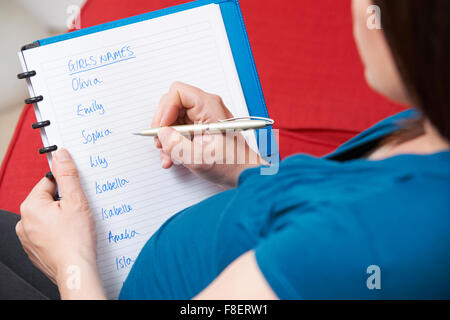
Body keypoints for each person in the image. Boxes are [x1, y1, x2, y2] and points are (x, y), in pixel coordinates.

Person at [1, 0, 449, 299]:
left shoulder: (364, 242)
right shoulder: (433, 123)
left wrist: (72, 266)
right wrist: (247, 168)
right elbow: (317, 200)